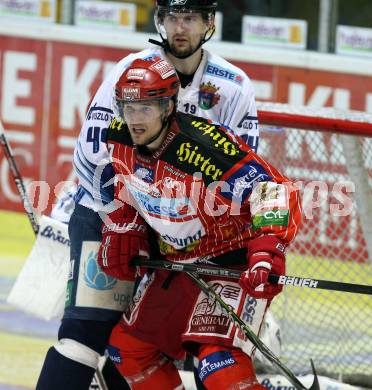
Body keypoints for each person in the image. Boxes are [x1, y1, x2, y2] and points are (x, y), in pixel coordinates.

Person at [36, 1, 260, 389]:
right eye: (172, 17)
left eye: (190, 18)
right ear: (160, 21)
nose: (180, 27)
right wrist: (121, 217)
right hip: (109, 214)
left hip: (180, 231)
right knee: (84, 333)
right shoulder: (129, 71)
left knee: (141, 341)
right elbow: (92, 150)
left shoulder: (233, 86)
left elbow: (243, 172)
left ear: (209, 23)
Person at [98, 58, 301, 389]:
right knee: (128, 350)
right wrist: (123, 224)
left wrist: (267, 250)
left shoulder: (204, 146)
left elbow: (271, 190)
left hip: (232, 259)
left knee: (217, 363)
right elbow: (122, 180)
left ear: (168, 106)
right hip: (175, 264)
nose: (134, 119)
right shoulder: (119, 137)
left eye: (145, 109)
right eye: (127, 107)